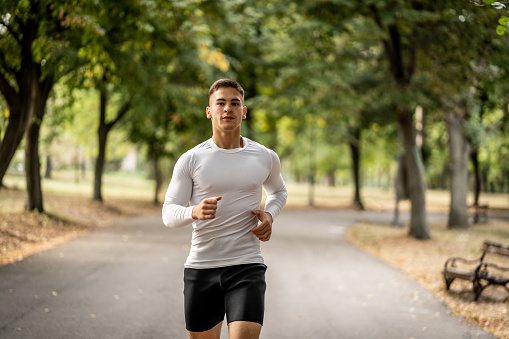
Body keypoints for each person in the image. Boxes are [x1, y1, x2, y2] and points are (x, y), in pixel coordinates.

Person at [162, 79, 288, 339]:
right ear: (209, 111)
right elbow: (169, 212)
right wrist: (193, 211)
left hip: (247, 266)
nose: (227, 108)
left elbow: (279, 192)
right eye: (220, 103)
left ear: (244, 111)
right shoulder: (191, 159)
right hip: (201, 267)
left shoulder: (265, 156)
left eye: (235, 103)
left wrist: (270, 215)